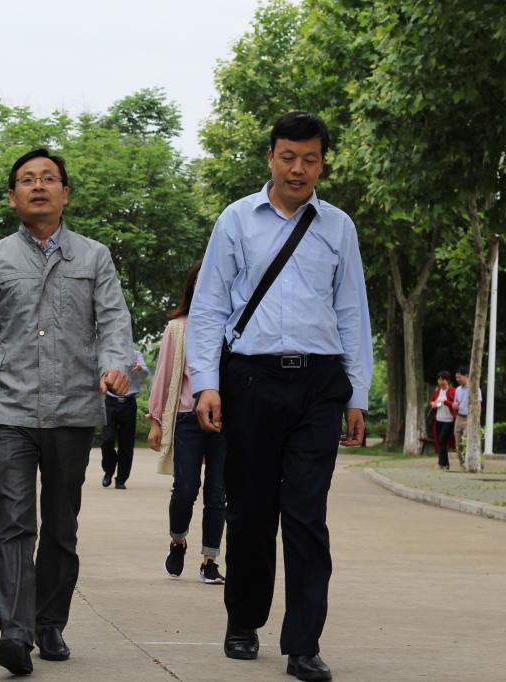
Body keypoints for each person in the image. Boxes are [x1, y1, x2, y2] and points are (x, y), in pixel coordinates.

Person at [187, 112, 372, 682]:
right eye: (288, 157)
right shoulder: (236, 220)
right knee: (251, 511)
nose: (298, 169)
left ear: (322, 163)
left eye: (310, 159)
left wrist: (357, 395)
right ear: (271, 157)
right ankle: (243, 620)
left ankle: (303, 644)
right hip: (251, 380)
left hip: (319, 384)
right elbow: (209, 306)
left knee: (307, 514)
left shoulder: (338, 226)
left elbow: (352, 311)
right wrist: (207, 383)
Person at [0, 148, 133, 675]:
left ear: (65, 193)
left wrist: (116, 364)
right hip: (8, 411)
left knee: (60, 525)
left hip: (73, 411)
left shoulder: (94, 257)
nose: (38, 186)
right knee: (13, 522)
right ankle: (14, 633)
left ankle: (50, 621)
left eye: (49, 178)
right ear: (13, 197)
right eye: (27, 180)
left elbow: (114, 321)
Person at [147, 261, 226, 585]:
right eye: (200, 280)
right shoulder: (178, 327)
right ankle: (177, 541)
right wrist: (156, 420)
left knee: (218, 493)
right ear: (192, 286)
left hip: (224, 421)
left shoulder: (234, 324)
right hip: (187, 418)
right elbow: (164, 374)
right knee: (185, 488)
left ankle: (210, 560)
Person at [100, 348, 148, 490]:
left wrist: (139, 368)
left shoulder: (136, 354)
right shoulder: (108, 353)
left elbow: (145, 373)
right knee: (107, 440)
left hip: (128, 403)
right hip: (110, 402)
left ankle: (121, 479)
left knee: (126, 443)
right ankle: (109, 470)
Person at [452, 366, 480, 469]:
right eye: (456, 377)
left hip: (470, 418)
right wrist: (454, 405)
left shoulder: (475, 389)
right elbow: (455, 403)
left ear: (466, 376)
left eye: (459, 377)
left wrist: (477, 420)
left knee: (466, 442)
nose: (457, 379)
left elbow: (478, 405)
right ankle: (462, 464)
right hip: (459, 418)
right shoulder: (457, 390)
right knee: (458, 444)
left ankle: (472, 463)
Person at [429, 370, 456, 471]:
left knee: (442, 440)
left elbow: (454, 404)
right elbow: (431, 401)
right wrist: (433, 404)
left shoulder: (453, 391)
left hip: (449, 420)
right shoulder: (437, 391)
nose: (440, 382)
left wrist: (445, 402)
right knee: (440, 442)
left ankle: (442, 463)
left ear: (447, 380)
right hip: (438, 419)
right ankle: (444, 464)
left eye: (442, 379)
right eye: (439, 380)